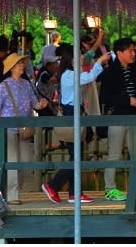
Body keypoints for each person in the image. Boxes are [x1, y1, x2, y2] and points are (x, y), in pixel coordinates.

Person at [41, 43, 109, 204]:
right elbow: (90, 77)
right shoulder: (69, 75)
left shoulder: (68, 73)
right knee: (76, 156)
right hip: (72, 114)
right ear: (71, 59)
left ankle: (74, 192)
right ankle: (53, 185)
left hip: (74, 112)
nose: (81, 57)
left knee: (76, 155)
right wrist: (99, 62)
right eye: (78, 55)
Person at [98, 37, 136, 202]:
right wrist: (127, 100)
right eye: (130, 50)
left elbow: (133, 90)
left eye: (134, 50)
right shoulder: (110, 72)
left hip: (133, 115)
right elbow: (105, 97)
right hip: (117, 116)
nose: (133, 54)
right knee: (114, 154)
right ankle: (110, 188)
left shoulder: (132, 70)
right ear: (119, 53)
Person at [0, 53, 49, 204]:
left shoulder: (26, 84)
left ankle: (14, 189)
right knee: (12, 161)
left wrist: (41, 105)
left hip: (24, 128)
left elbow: (34, 104)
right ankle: (12, 195)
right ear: (11, 68)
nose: (21, 66)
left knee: (24, 160)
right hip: (7, 129)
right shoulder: (4, 86)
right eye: (18, 64)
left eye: (21, 63)